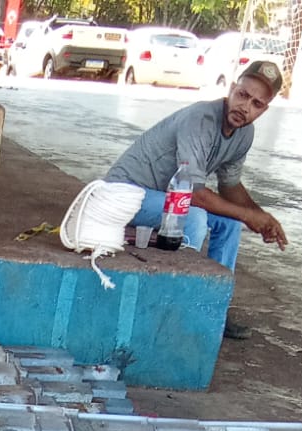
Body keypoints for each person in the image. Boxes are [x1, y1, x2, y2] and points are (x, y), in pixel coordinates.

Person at [105, 61, 288, 338]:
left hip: (165, 199)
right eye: (242, 95)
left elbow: (230, 185)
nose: (245, 107)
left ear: (264, 109)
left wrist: (262, 218)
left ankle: (213, 309)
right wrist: (249, 215)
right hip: (124, 193)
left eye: (256, 104)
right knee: (193, 215)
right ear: (231, 89)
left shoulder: (244, 134)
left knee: (230, 224)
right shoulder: (201, 119)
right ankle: (175, 308)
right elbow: (193, 193)